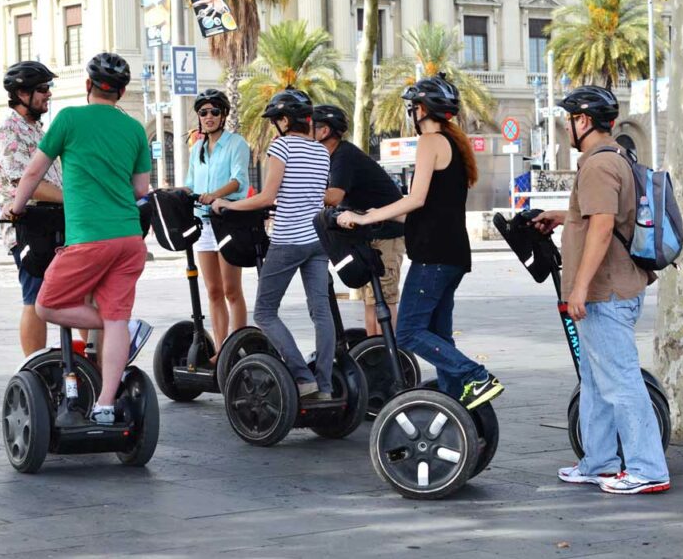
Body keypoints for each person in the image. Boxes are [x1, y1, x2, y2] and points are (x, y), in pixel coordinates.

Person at [532, 85, 670, 495]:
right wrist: (563, 215)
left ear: (584, 121)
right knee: (595, 380)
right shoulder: (616, 156)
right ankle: (599, 462)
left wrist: (579, 288)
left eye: (570, 119)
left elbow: (604, 226)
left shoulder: (597, 166)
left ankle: (648, 469)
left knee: (621, 380)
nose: (567, 127)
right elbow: (601, 215)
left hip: (606, 292)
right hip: (612, 288)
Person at [336, 74, 503, 411]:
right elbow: (430, 208)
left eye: (413, 107)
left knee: (409, 332)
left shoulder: (430, 142)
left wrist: (367, 218)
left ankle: (476, 374)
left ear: (422, 109)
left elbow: (415, 199)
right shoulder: (454, 145)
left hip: (434, 255)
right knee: (440, 337)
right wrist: (376, 213)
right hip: (453, 253)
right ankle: (455, 405)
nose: (411, 113)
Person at [5, 52, 152, 426]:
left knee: (46, 304)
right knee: (117, 319)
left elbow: (34, 171)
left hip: (89, 238)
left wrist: (15, 209)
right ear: (120, 92)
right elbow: (141, 188)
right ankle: (104, 404)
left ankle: (113, 325)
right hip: (129, 239)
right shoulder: (135, 128)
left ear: (88, 86)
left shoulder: (69, 118)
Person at [211, 88, 334, 402]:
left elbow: (266, 197)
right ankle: (325, 383)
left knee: (265, 312)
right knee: (321, 312)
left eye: (275, 120)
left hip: (289, 240)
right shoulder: (320, 151)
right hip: (318, 240)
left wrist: (227, 204)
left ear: (283, 120)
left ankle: (302, 377)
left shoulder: (281, 147)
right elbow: (314, 196)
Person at [0, 60, 66, 356]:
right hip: (28, 227)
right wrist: (73, 198)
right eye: (42, 89)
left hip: (54, 222)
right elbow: (25, 183)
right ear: (22, 93)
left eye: (48, 88)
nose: (48, 94)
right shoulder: (9, 130)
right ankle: (34, 367)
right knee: (34, 297)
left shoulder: (38, 130)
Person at [313, 103, 405, 335]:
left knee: (383, 299)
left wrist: (299, 192)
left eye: (310, 128)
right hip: (367, 235)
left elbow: (333, 197)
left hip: (386, 234)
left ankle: (392, 360)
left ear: (324, 131)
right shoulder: (332, 158)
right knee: (370, 300)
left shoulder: (343, 155)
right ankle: (374, 353)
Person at [182, 89, 250, 362]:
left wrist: (216, 195)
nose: (209, 117)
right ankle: (221, 349)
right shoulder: (197, 147)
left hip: (227, 221)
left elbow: (239, 180)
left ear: (223, 115)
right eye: (203, 112)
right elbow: (190, 182)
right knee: (212, 290)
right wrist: (177, 192)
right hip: (203, 224)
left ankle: (238, 346)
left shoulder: (236, 144)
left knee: (232, 289)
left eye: (214, 112)